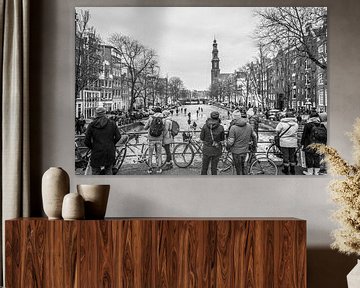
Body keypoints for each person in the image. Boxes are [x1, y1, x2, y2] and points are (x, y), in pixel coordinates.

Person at [84, 106, 121, 175]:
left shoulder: (91, 125)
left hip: (96, 152)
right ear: (105, 113)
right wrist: (112, 144)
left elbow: (86, 141)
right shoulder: (112, 123)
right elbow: (118, 136)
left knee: (95, 171)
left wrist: (93, 147)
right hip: (109, 151)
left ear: (96, 114)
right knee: (109, 170)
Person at [226, 110, 257, 175]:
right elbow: (254, 136)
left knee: (238, 168)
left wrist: (227, 147)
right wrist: (254, 145)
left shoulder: (233, 128)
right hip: (245, 150)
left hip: (236, 151)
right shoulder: (249, 126)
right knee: (243, 166)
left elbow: (231, 141)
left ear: (234, 118)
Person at [275, 111, 299, 175]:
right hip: (293, 142)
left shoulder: (281, 123)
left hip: (284, 142)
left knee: (285, 156)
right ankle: (292, 170)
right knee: (292, 156)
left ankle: (286, 170)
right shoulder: (296, 124)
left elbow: (277, 131)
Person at [144, 107, 164, 174]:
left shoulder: (151, 118)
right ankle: (159, 168)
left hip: (151, 139)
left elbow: (145, 128)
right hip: (159, 139)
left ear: (155, 112)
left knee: (150, 154)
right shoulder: (162, 119)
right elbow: (164, 129)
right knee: (159, 154)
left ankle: (150, 169)